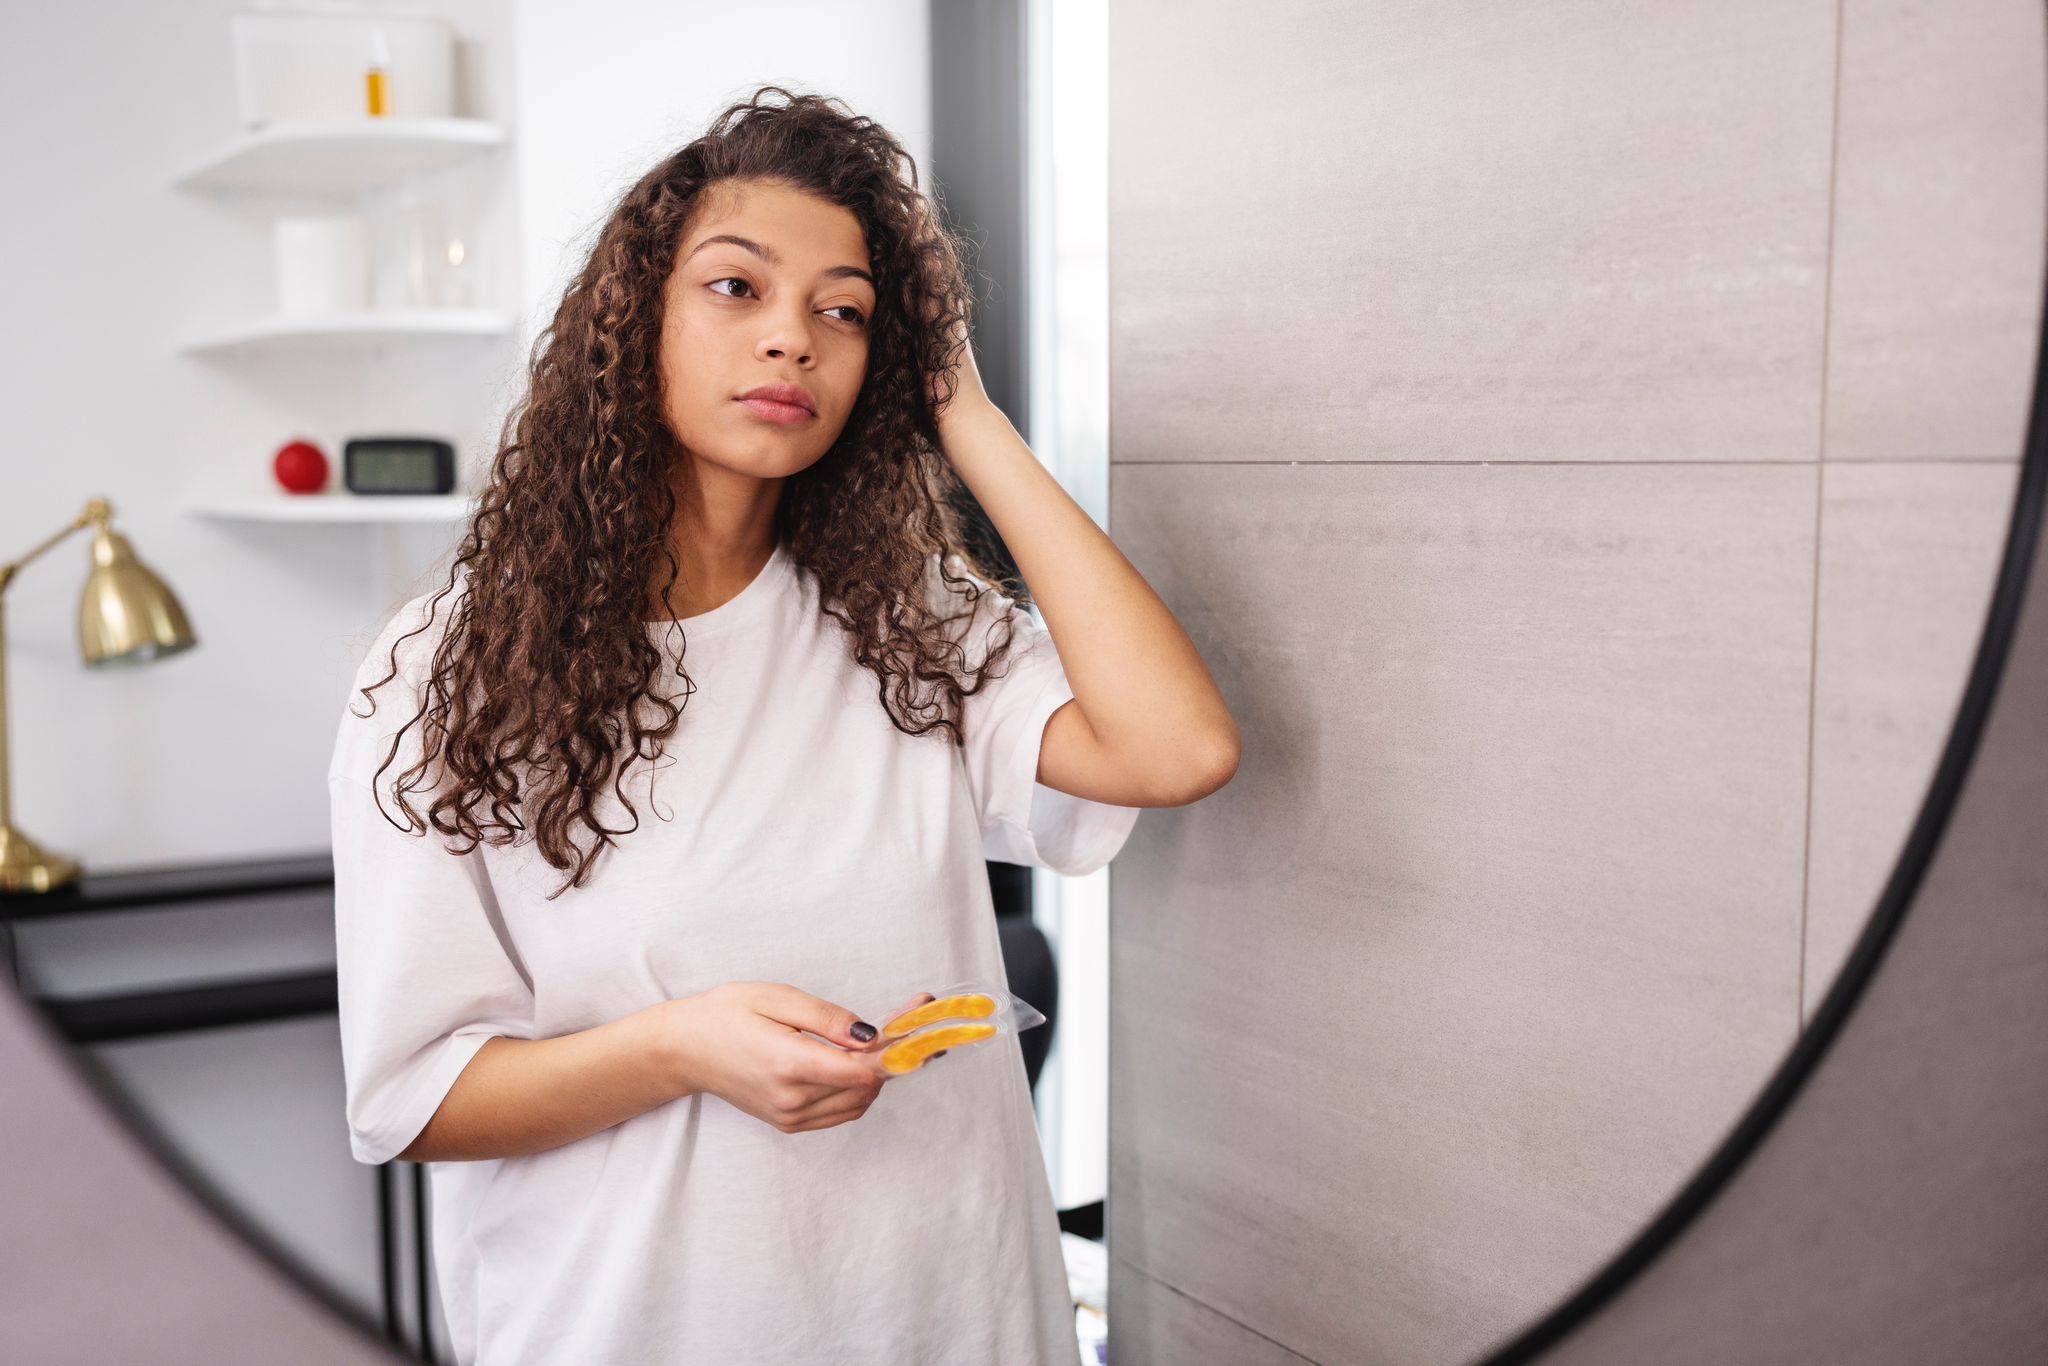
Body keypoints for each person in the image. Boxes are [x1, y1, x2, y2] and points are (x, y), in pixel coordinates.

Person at [328, 86, 1241, 1366]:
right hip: (640, 1325)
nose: (792, 341)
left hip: (948, 1307)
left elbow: (1176, 749)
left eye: (844, 311)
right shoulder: (449, 670)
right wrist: (680, 1047)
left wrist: (969, 419)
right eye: (735, 288)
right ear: (628, 317)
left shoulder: (907, 622)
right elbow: (412, 1099)